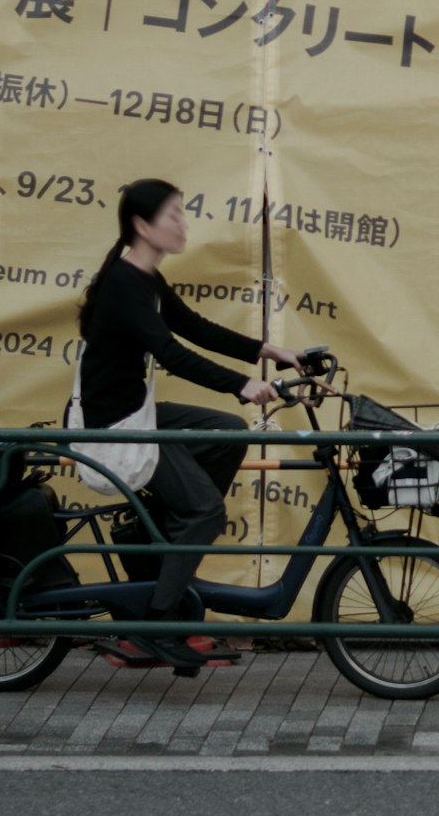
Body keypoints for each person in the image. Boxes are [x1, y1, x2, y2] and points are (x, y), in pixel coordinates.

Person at [76, 178, 306, 676]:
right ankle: (157, 625)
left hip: (136, 409)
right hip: (116, 423)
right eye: (173, 215)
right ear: (142, 225)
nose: (183, 223)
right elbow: (171, 353)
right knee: (206, 511)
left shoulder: (147, 279)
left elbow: (195, 327)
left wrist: (271, 353)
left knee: (229, 431)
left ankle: (172, 530)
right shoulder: (123, 282)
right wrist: (242, 384)